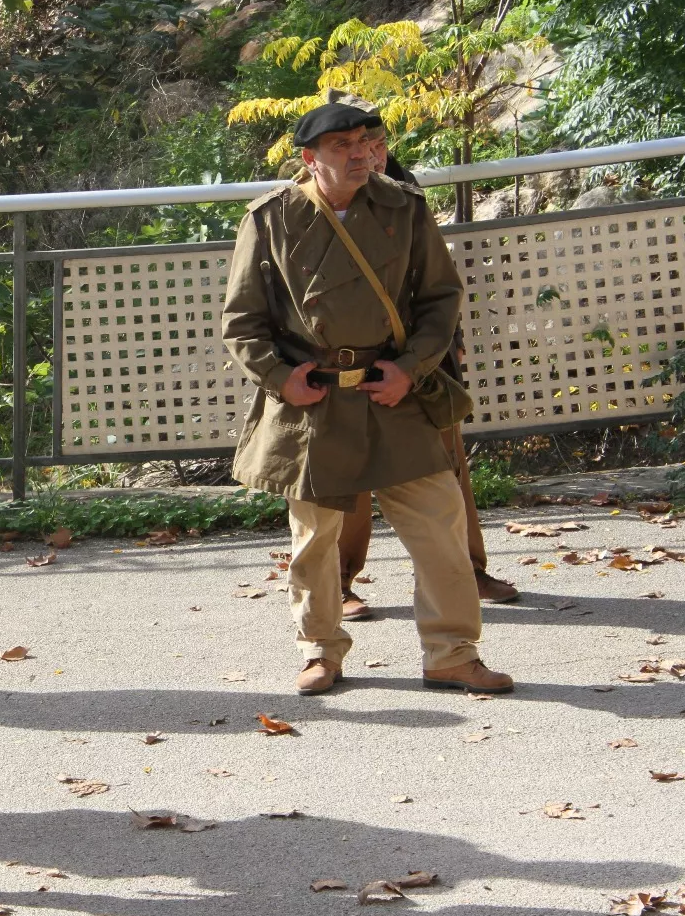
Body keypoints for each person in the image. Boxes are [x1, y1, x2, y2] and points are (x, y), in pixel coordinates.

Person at [222, 103, 515, 697]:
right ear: (310, 159)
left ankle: (453, 654)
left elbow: (440, 299)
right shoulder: (270, 219)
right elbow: (242, 322)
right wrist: (281, 378)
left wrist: (410, 369)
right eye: (340, 146)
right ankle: (320, 652)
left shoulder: (403, 207)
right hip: (316, 402)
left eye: (364, 141)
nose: (359, 153)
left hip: (393, 395)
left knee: (439, 526)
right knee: (315, 542)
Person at [335, 123, 520, 623]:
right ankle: (339, 582)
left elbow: (438, 283)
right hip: (344, 368)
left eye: (376, 143)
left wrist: (439, 348)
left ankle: (468, 571)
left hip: (423, 361)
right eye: (353, 144)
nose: (368, 155)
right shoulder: (312, 200)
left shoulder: (404, 193)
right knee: (348, 479)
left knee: (447, 469)